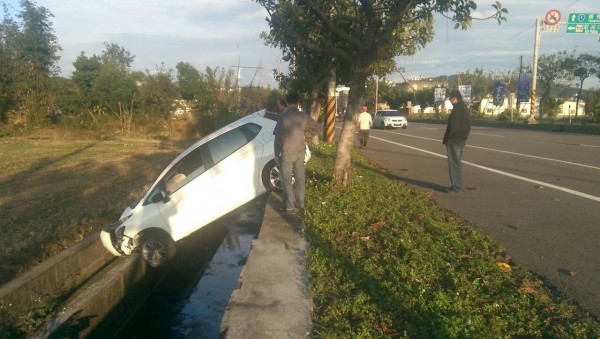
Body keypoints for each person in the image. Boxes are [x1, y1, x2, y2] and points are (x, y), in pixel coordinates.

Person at [273, 92, 322, 212]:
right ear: (297, 103)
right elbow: (318, 127)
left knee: (287, 179)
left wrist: (276, 154)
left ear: (287, 102)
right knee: (300, 178)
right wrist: (306, 134)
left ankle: (289, 205)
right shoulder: (304, 116)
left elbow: (278, 138)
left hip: (287, 152)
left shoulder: (282, 117)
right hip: (300, 151)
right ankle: (300, 204)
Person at [442, 90, 471, 193]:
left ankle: (456, 187)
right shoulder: (464, 108)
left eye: (451, 98)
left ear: (455, 98)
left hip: (454, 140)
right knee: (457, 164)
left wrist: (448, 138)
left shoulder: (457, 109)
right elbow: (468, 125)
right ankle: (458, 185)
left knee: (454, 164)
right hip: (461, 140)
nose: (450, 100)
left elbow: (453, 126)